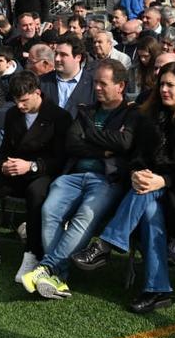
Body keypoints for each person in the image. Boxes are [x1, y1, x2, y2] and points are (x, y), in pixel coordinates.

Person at [72, 61, 175, 314]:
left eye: (171, 85)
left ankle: (106, 244)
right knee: (149, 209)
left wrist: (163, 180)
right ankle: (156, 290)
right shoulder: (149, 116)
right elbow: (137, 156)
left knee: (148, 193)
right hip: (149, 196)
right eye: (161, 84)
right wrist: (138, 173)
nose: (164, 90)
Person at [23, 60, 138, 299]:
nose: (96, 87)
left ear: (120, 86)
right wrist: (104, 147)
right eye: (95, 82)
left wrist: (92, 137)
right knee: (50, 211)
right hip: (73, 175)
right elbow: (72, 143)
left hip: (106, 179)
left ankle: (48, 268)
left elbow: (124, 143)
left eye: (102, 83)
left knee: (85, 215)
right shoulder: (86, 110)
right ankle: (58, 275)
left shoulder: (132, 113)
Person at [0, 71, 71, 280]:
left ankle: (33, 253)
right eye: (15, 101)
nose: (19, 106)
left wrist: (31, 166)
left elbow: (61, 159)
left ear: (37, 92)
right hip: (13, 173)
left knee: (36, 192)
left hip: (43, 175)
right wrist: (4, 165)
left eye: (23, 101)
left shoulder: (59, 117)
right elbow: (3, 151)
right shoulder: (13, 114)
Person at [39, 36, 93, 114]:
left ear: (78, 57)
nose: (57, 58)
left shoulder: (93, 85)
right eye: (56, 54)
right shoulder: (41, 82)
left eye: (63, 55)